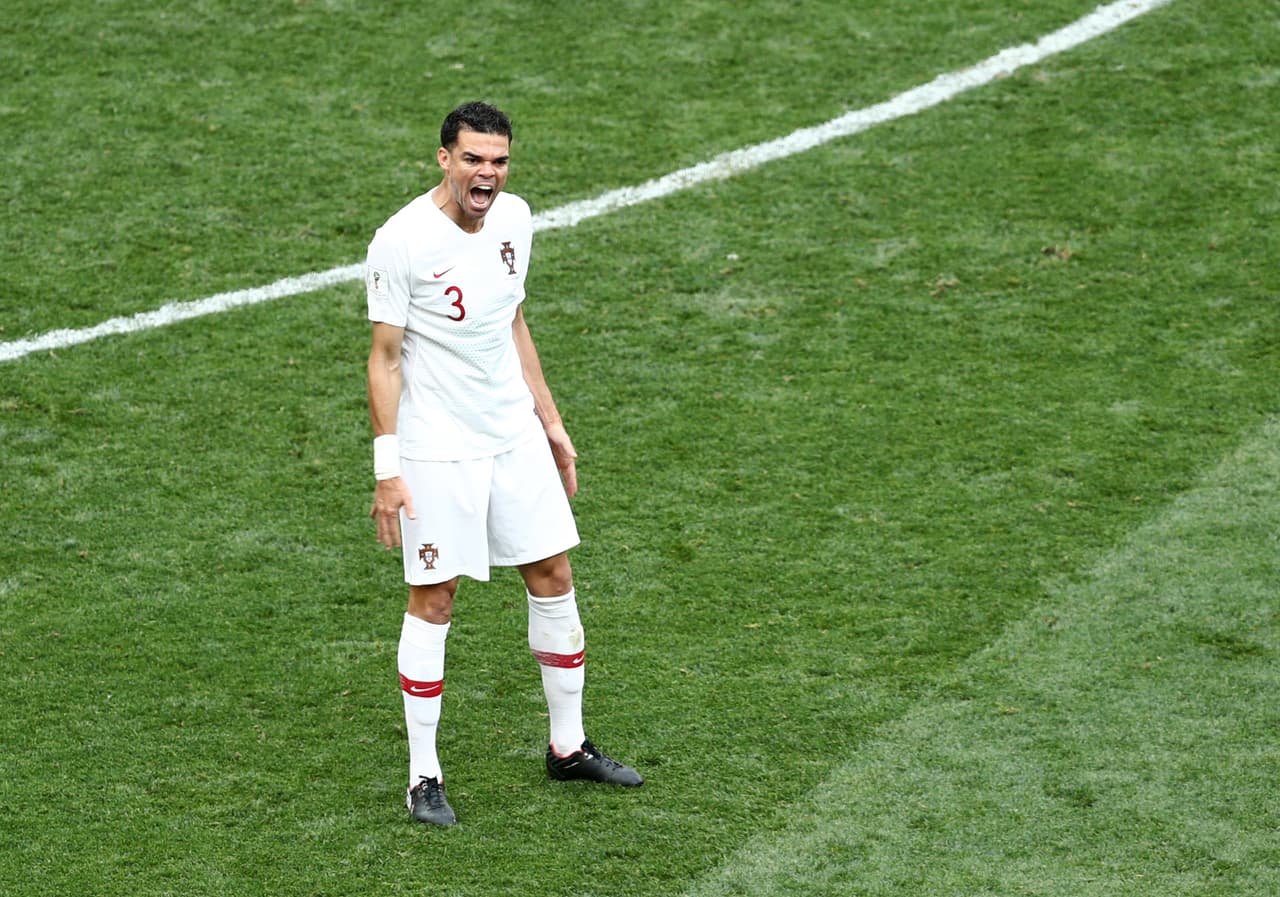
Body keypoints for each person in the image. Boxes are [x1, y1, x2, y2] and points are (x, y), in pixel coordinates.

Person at [364, 101, 642, 827]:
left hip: (511, 433)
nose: (486, 174)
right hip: (437, 446)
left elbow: (513, 321)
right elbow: (385, 357)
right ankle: (423, 776)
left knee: (553, 574)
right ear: (444, 159)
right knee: (437, 596)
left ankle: (568, 744)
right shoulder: (401, 240)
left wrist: (550, 421)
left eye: (499, 160)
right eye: (473, 159)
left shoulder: (517, 218)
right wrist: (386, 467)